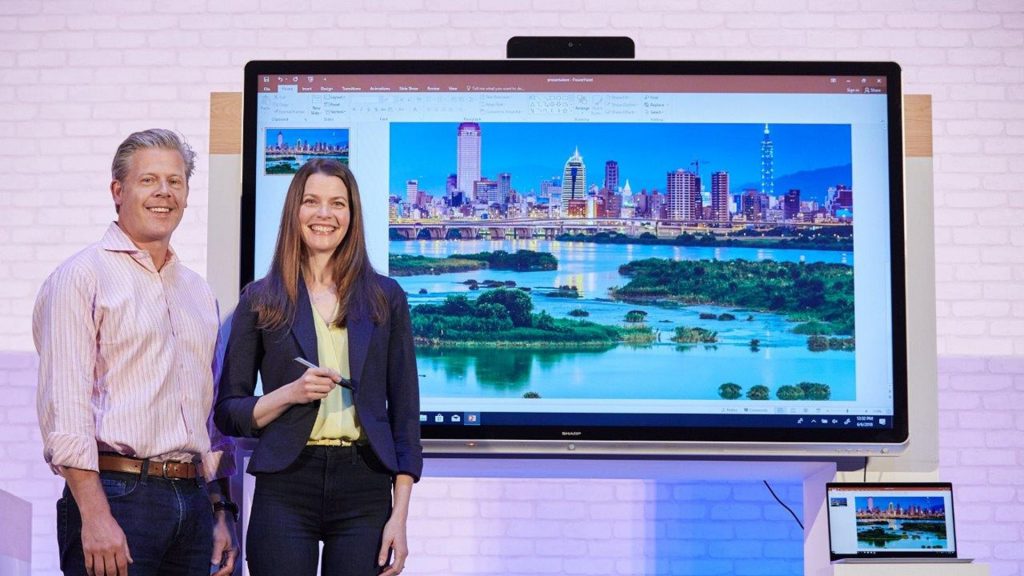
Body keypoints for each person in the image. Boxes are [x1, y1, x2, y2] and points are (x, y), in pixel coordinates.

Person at [34, 129, 238, 576]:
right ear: (117, 190)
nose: (164, 192)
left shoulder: (198, 292)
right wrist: (95, 514)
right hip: (117, 496)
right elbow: (65, 408)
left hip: (192, 501)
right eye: (149, 180)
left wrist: (220, 509)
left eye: (176, 181)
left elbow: (208, 417)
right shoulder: (80, 277)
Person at [215, 158, 422, 576]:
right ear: (295, 211)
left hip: (364, 485)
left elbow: (405, 417)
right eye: (311, 201)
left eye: (337, 203)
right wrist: (290, 394)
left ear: (352, 214)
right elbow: (228, 412)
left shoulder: (386, 298)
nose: (324, 214)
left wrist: (399, 517)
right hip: (287, 482)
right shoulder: (261, 299)